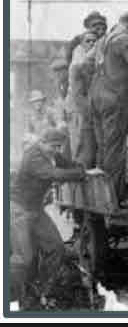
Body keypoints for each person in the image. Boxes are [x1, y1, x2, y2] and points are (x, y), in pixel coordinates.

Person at [10, 128, 86, 308]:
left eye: (59, 146)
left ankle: (41, 291)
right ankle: (13, 298)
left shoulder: (51, 154)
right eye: (54, 146)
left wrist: (81, 168)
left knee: (57, 249)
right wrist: (79, 174)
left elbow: (69, 165)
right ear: (42, 142)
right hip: (17, 209)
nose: (57, 150)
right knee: (24, 258)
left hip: (35, 210)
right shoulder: (33, 156)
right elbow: (54, 174)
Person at [88, 10, 128, 208]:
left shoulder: (104, 40)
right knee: (115, 148)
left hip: (96, 97)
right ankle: (117, 197)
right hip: (114, 99)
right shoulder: (125, 40)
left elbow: (84, 64)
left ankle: (101, 195)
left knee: (103, 147)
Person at [65, 31, 98, 167]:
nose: (91, 43)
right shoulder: (78, 64)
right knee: (82, 148)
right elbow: (78, 95)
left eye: (94, 41)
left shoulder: (94, 60)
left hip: (89, 110)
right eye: (88, 41)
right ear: (82, 44)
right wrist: (89, 115)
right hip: (80, 111)